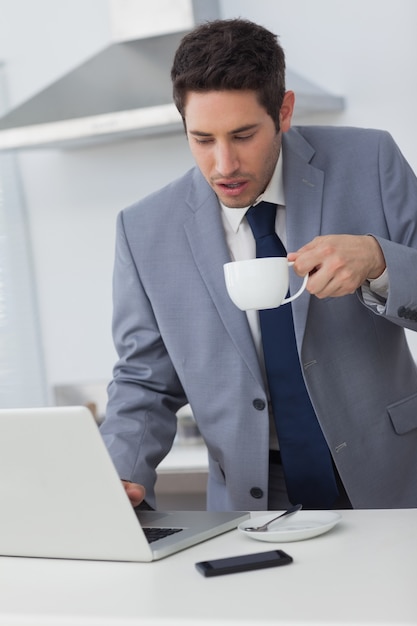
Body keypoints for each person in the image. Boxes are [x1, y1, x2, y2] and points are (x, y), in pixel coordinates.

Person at [100, 18, 417, 511]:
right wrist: (120, 474)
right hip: (252, 496)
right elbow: (143, 379)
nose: (224, 165)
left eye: (243, 135)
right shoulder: (144, 230)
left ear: (284, 111)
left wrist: (381, 262)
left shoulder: (371, 161)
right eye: (202, 139)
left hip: (387, 476)